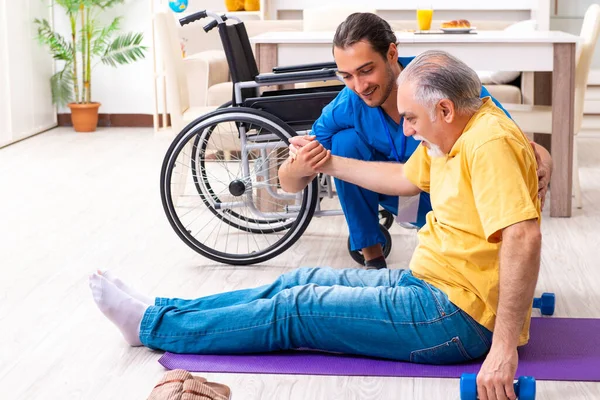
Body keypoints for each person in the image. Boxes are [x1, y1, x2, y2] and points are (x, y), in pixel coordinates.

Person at [91, 50, 541, 400]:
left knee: (298, 310)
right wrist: (328, 162)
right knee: (299, 279)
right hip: (430, 286)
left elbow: (523, 236)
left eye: (411, 119)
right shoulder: (454, 130)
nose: (405, 131)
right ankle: (164, 310)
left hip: (455, 319)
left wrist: (502, 350)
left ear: (443, 109)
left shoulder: (488, 144)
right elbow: (405, 177)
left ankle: (152, 326)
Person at [277, 12, 552, 270]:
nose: (359, 86)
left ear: (392, 53)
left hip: (449, 199)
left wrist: (544, 163)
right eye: (347, 76)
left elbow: (510, 138)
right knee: (344, 141)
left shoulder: (439, 82)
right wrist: (300, 166)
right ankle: (373, 259)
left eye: (366, 70)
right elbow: (288, 183)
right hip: (396, 188)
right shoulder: (349, 103)